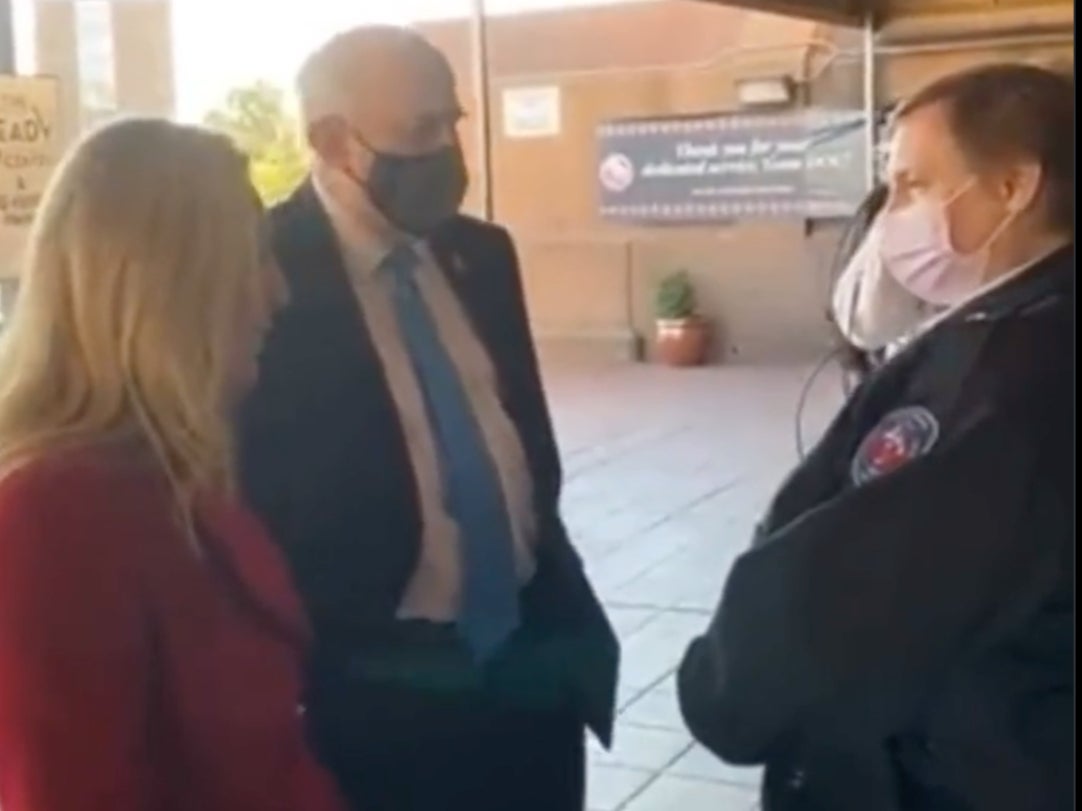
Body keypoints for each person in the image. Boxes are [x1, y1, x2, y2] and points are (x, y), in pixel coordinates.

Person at [239, 25, 619, 811]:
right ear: (333, 140)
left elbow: (521, 443)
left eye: (453, 122)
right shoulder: (260, 268)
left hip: (526, 670)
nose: (447, 147)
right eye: (419, 130)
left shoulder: (482, 254)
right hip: (374, 688)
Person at [677, 62, 1074, 811]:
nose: (892, 214)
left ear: (1013, 188)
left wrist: (723, 688)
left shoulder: (1002, 379)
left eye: (912, 184)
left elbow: (835, 597)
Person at [0, 120, 347, 811]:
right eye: (255, 257)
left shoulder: (173, 473)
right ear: (169, 281)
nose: (278, 292)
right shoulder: (54, 513)